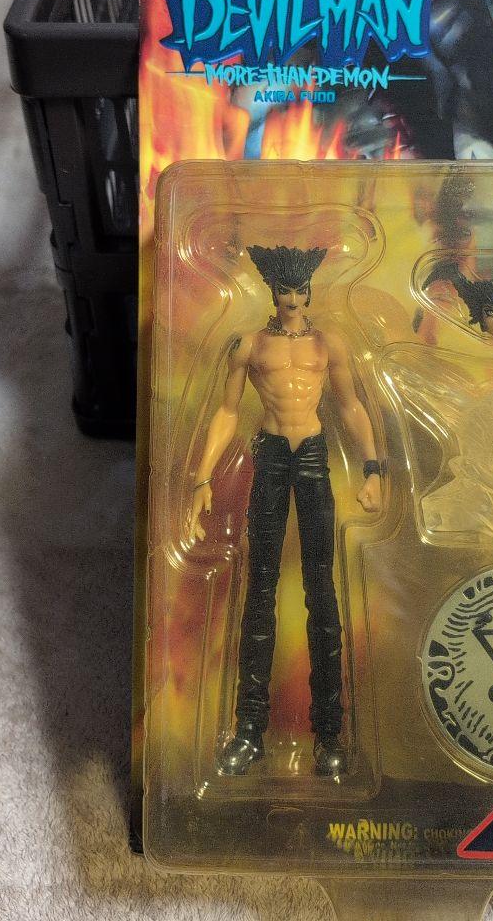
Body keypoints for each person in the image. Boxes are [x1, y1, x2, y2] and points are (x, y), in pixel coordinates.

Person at [187, 245, 383, 778]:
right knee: (260, 589)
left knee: (323, 591)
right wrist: (202, 477)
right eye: (284, 290)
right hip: (271, 455)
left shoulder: (328, 343)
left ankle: (330, 735)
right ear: (272, 291)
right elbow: (227, 410)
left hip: (313, 454)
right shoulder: (248, 344)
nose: (293, 299)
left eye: (300, 289)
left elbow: (351, 406)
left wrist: (373, 469)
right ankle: (249, 731)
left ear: (309, 291)